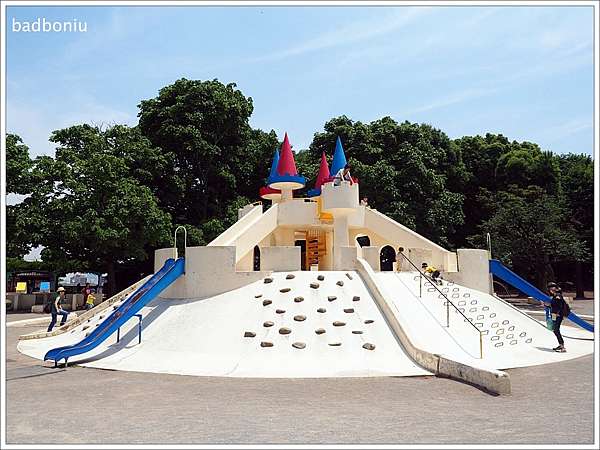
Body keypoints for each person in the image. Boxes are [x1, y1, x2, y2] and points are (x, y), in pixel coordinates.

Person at [546, 282, 570, 352]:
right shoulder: (554, 295)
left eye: (552, 287)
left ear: (555, 288)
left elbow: (559, 306)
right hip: (554, 315)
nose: (551, 289)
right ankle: (560, 345)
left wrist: (557, 313)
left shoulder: (558, 295)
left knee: (556, 329)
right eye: (549, 288)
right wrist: (548, 305)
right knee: (554, 330)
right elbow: (554, 305)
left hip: (558, 315)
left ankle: (562, 347)